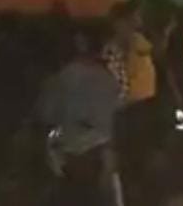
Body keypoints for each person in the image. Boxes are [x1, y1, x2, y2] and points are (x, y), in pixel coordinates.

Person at [36, 24, 124, 206]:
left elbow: (46, 116)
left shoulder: (62, 77)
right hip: (99, 156)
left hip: (70, 156)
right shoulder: (110, 80)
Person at [103, 1, 158, 206]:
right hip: (125, 114)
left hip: (140, 111)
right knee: (129, 169)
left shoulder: (137, 44)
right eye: (134, 19)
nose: (138, 23)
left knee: (140, 168)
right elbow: (116, 91)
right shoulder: (112, 51)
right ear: (120, 23)